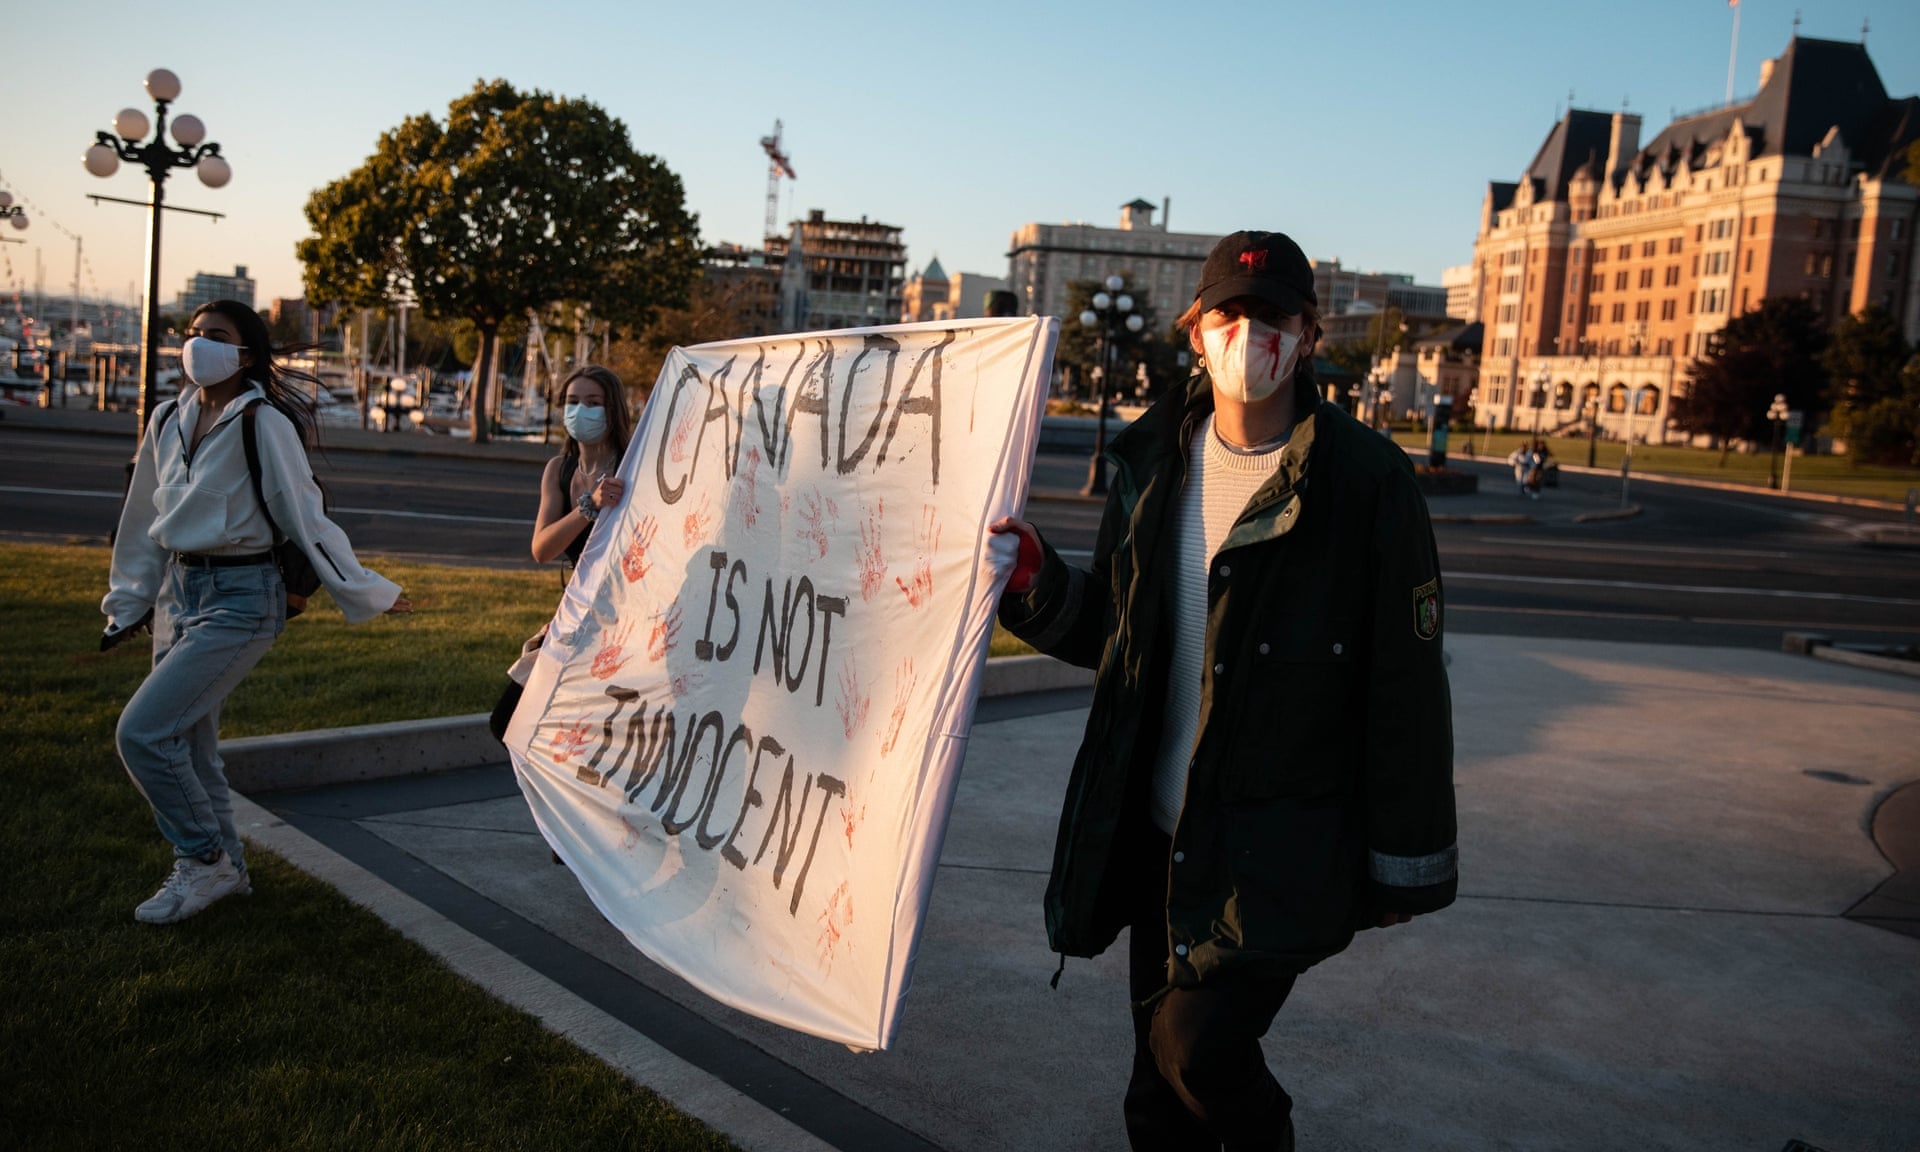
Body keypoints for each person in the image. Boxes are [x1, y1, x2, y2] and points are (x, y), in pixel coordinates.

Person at [991, 231, 1457, 1150]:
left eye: (1275, 314)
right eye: (1230, 314)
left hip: (1278, 846)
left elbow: (1404, 689)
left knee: (1197, 1049)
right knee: (1154, 1097)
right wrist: (1040, 581)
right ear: (1193, 330)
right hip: (1160, 837)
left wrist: (1405, 861)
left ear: (1311, 334)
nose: (1252, 334)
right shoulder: (1152, 465)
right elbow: (1121, 640)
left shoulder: (1368, 482)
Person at [103, 299, 410, 925]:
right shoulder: (167, 418)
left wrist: (368, 587)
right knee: (190, 747)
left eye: (215, 336)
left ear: (246, 354)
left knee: (142, 734)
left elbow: (305, 515)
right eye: (193, 334)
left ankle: (202, 859)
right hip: (180, 594)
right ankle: (230, 873)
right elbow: (142, 522)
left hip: (242, 599)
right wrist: (129, 602)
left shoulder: (261, 422)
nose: (198, 345)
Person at [530, 365, 631, 574]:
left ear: (613, 410)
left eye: (593, 403)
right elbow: (541, 550)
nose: (580, 411)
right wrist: (590, 506)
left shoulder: (632, 466)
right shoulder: (558, 470)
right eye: (573, 402)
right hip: (579, 598)